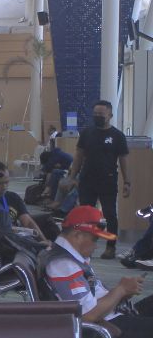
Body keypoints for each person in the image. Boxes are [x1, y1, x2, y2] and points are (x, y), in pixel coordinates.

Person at [42, 205, 153, 338]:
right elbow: (88, 316)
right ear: (77, 234)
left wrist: (123, 294)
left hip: (112, 315)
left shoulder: (71, 258)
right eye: (95, 239)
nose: (96, 246)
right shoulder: (64, 265)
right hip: (106, 327)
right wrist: (121, 290)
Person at [70, 100, 129, 259]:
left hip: (108, 181)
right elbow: (79, 156)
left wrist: (127, 182)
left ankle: (110, 247)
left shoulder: (117, 136)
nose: (97, 117)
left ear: (109, 115)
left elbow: (123, 159)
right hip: (87, 179)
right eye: (95, 114)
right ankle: (84, 245)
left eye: (101, 115)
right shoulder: (87, 133)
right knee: (86, 216)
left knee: (110, 215)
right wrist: (72, 176)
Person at [0, 161, 54, 244]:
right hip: (4, 238)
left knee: (46, 220)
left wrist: (43, 241)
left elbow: (27, 221)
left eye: (6, 182)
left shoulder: (12, 197)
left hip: (18, 231)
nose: (4, 187)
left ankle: (58, 250)